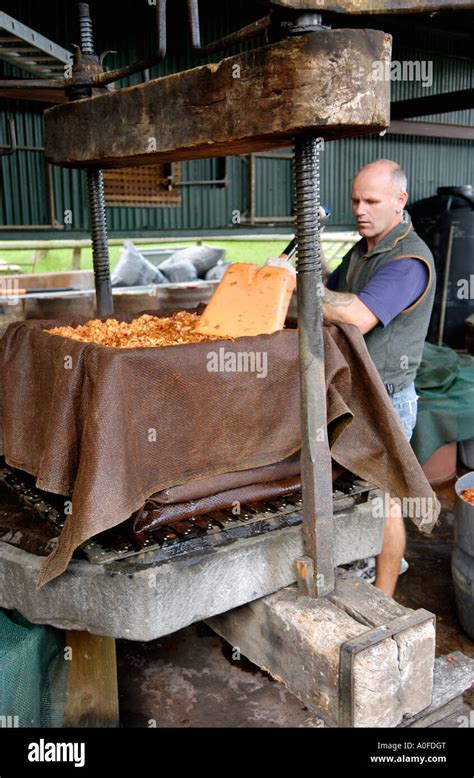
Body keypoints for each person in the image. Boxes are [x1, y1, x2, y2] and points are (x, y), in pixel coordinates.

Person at [324, 159, 436, 597]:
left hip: (386, 400)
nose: (360, 209)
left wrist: (299, 285)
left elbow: (357, 314)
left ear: (399, 200)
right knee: (359, 497)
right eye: (355, 200)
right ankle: (360, 571)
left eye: (371, 200)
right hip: (354, 394)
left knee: (385, 503)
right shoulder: (363, 250)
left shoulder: (408, 260)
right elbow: (332, 296)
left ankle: (385, 598)